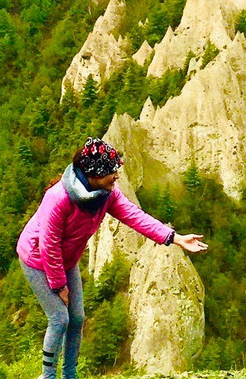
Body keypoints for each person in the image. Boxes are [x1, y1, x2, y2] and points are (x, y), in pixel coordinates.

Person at [17, 137, 208, 379]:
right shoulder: (59, 198)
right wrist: (59, 285)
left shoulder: (106, 194)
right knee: (59, 318)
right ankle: (48, 376)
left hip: (66, 259)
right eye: (111, 173)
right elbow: (48, 244)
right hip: (37, 259)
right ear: (94, 174)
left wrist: (175, 238)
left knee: (77, 318)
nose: (116, 177)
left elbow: (135, 217)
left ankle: (70, 375)